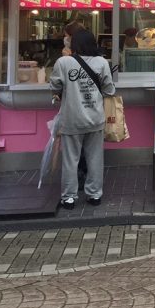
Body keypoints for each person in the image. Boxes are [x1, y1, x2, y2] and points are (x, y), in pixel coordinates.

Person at [51, 28, 116, 209]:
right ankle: (94, 194)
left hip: (71, 118)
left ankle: (69, 197)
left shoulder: (63, 62)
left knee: (70, 159)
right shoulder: (102, 62)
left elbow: (54, 85)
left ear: (74, 44)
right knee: (95, 158)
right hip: (95, 117)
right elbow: (110, 90)